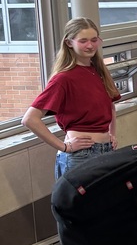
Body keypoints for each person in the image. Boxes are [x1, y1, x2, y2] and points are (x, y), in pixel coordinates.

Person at [22, 17, 120, 177]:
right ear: (69, 43)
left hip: (106, 150)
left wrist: (112, 134)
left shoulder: (99, 71)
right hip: (81, 155)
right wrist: (64, 147)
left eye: (94, 40)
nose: (90, 45)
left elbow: (110, 106)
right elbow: (30, 119)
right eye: (83, 41)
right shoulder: (63, 78)